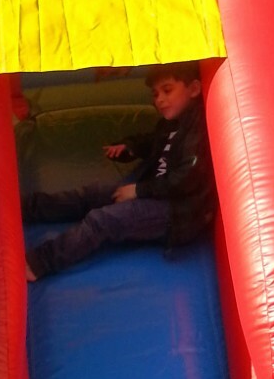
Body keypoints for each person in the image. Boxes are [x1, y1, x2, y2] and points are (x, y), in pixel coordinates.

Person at [23, 63, 214, 280]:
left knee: (103, 220)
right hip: (154, 191)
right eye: (155, 94)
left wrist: (139, 191)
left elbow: (188, 178)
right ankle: (25, 207)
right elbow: (151, 142)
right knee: (91, 195)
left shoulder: (199, 126)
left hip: (176, 213)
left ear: (194, 89)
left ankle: (39, 263)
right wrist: (129, 147)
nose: (159, 99)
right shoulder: (172, 124)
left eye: (167, 90)